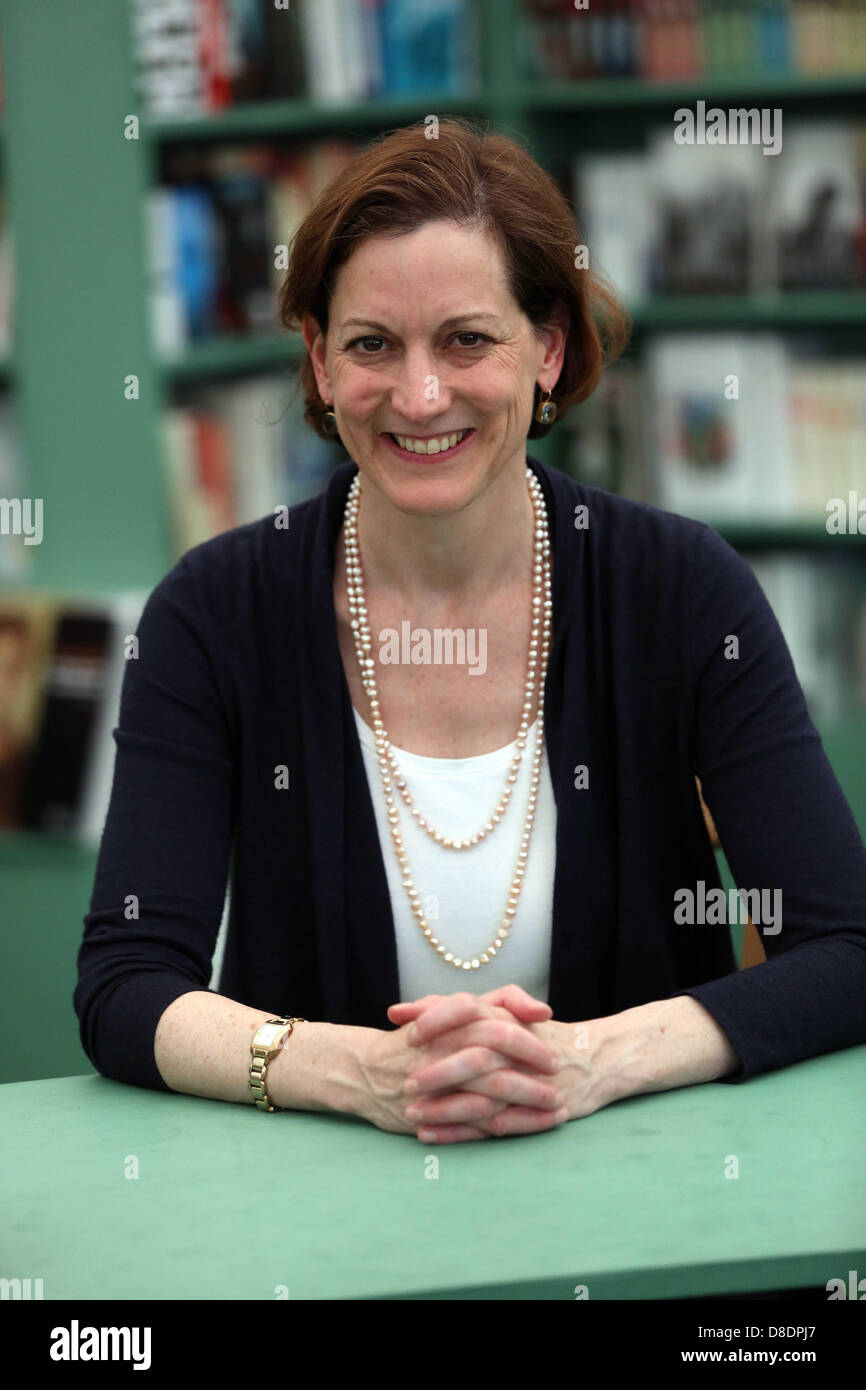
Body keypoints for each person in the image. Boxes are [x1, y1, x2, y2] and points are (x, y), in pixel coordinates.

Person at [75, 119, 866, 1145]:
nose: (419, 395)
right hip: (318, 1227)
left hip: (648, 1205)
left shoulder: (681, 591)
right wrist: (361, 1070)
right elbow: (125, 986)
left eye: (465, 339)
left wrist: (586, 1061)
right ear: (318, 362)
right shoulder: (211, 615)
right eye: (370, 344)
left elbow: (844, 945)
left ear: (546, 348)